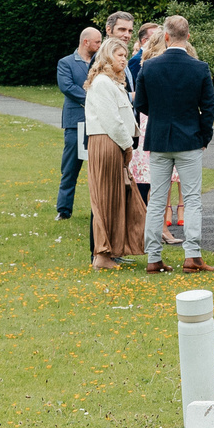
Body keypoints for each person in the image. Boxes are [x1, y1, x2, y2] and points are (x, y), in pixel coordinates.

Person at [134, 14, 214, 276]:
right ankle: (192, 256)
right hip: (189, 138)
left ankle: (154, 257)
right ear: (188, 36)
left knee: (157, 200)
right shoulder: (199, 67)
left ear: (166, 37)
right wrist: (204, 136)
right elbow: (208, 108)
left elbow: (141, 104)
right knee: (192, 199)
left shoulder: (149, 67)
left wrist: (159, 117)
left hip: (159, 138)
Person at [82, 39, 144, 269]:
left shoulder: (110, 82)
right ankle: (101, 255)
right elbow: (112, 120)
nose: (124, 58)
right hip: (107, 142)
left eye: (125, 54)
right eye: (118, 54)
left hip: (112, 142)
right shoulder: (102, 84)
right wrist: (128, 145)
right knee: (105, 199)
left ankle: (108, 252)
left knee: (113, 198)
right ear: (107, 56)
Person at [55, 26, 103, 221]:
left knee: (100, 167)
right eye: (97, 42)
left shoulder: (100, 62)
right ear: (86, 42)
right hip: (76, 122)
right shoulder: (66, 63)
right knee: (70, 167)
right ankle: (64, 210)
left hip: (99, 122)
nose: (100, 45)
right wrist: (94, 98)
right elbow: (67, 87)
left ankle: (99, 209)